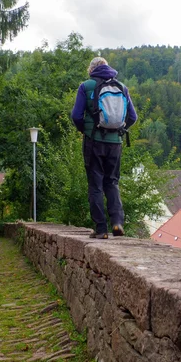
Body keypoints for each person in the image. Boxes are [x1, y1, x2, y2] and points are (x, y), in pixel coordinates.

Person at [71, 57, 137, 238]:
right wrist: (120, 130)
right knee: (112, 182)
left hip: (93, 141)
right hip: (115, 144)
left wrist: (85, 130)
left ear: (91, 70)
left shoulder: (86, 86)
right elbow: (133, 116)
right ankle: (117, 223)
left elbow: (76, 115)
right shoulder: (122, 87)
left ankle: (101, 230)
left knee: (95, 185)